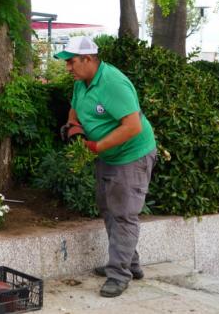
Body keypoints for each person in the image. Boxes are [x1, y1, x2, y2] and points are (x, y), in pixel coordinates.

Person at [56, 36, 157, 298]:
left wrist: (97, 146)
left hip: (131, 155)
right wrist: (75, 129)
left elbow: (132, 126)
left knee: (123, 213)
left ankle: (119, 274)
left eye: (71, 62)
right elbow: (74, 111)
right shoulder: (82, 82)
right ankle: (129, 264)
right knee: (109, 207)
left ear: (88, 59)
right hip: (109, 156)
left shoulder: (113, 83)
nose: (68, 68)